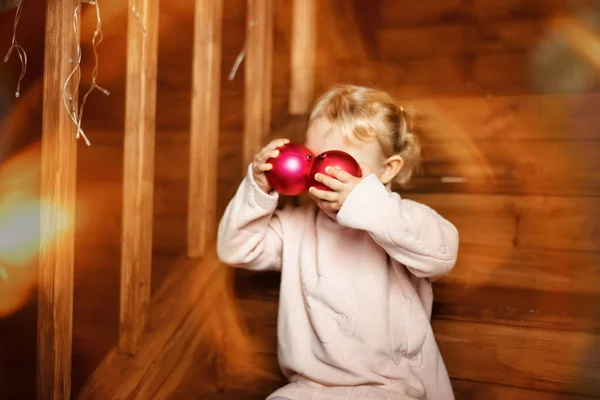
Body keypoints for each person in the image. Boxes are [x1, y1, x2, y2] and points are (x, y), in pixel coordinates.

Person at [217, 84, 459, 400]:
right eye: (312, 160)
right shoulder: (296, 228)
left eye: (337, 165)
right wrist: (258, 187)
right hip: (311, 389)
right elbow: (234, 247)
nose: (321, 176)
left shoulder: (399, 221)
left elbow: (441, 254)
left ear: (387, 170)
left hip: (394, 387)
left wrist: (363, 202)